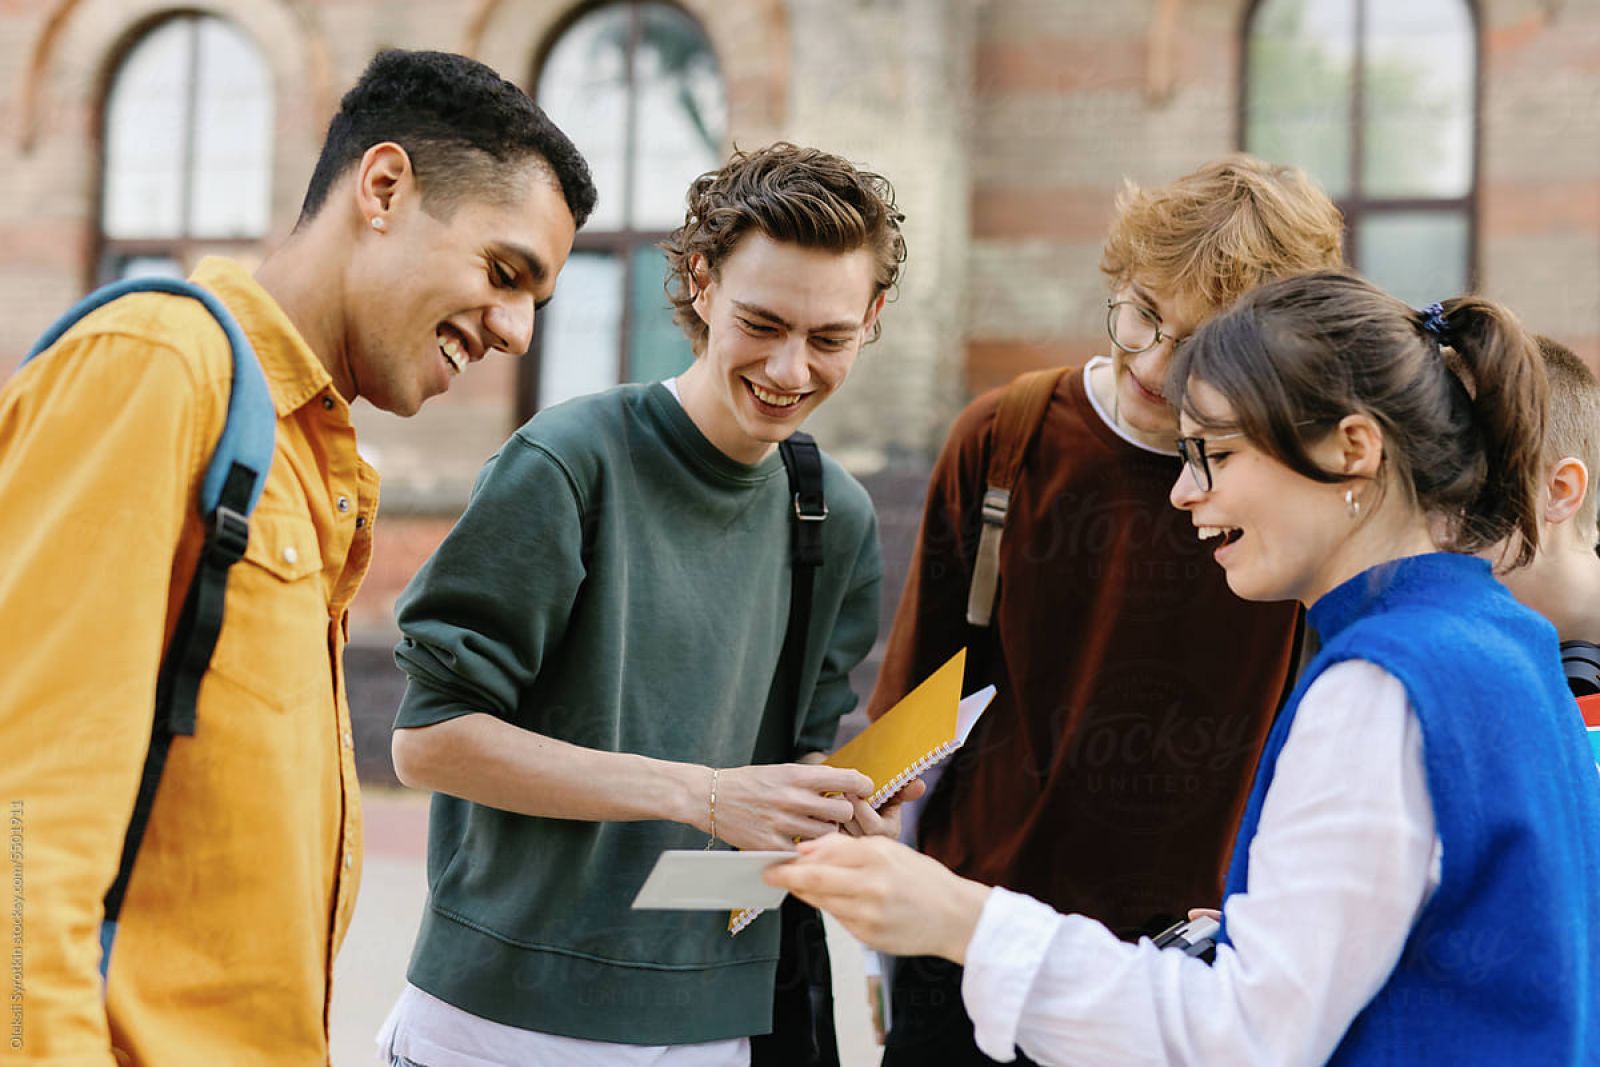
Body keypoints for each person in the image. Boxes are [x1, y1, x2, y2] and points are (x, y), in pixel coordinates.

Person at [770, 271, 1600, 1064]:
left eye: (1217, 454)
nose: (1183, 491)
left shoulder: (1383, 683)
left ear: (1353, 447)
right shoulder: (1503, 638)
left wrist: (963, 918)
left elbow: (1242, 1038)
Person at [0, 49, 594, 1065]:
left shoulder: (306, 451)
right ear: (384, 187)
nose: (514, 328)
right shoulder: (156, 365)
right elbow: (22, 823)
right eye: (504, 272)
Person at [377, 143, 910, 1066]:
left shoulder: (837, 514)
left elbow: (804, 747)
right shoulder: (569, 462)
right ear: (701, 284)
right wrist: (701, 795)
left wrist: (844, 804)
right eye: (762, 322)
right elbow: (427, 741)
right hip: (504, 1020)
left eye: (829, 339)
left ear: (873, 317)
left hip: (719, 1018)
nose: (790, 370)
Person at [864, 155, 1344, 1063]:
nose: (1155, 364)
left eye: (1201, 344)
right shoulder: (1004, 436)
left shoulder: (1298, 496)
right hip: (973, 938)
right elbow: (913, 707)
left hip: (1184, 971)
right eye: (1143, 312)